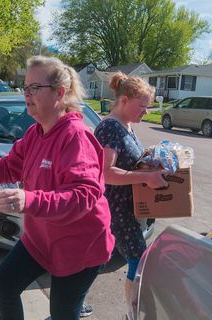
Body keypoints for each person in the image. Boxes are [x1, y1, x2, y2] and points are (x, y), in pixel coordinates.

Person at [0, 55, 115, 320]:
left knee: (62, 314)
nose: (27, 94)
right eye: (25, 88)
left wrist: (30, 200)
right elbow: (10, 166)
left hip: (79, 246)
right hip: (41, 238)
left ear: (59, 93)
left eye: (35, 88)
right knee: (4, 285)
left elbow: (84, 196)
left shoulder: (76, 137)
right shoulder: (36, 133)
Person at [94, 72, 168, 315]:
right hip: (115, 210)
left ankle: (69, 302)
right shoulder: (109, 128)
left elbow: (128, 163)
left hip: (129, 209)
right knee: (139, 258)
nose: (146, 112)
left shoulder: (125, 126)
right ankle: (132, 312)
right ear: (124, 100)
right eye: (142, 106)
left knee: (97, 260)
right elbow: (106, 173)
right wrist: (146, 176)